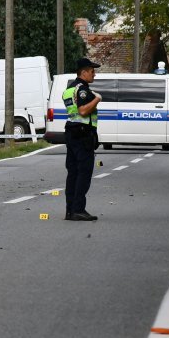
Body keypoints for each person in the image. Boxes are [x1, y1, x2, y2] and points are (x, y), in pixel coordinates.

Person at [63, 57, 102, 221]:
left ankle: (70, 210)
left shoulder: (69, 89)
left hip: (72, 133)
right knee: (83, 173)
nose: (94, 74)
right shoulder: (83, 89)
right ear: (84, 72)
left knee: (72, 173)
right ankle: (78, 209)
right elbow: (83, 111)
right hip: (82, 135)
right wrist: (97, 99)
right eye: (92, 71)